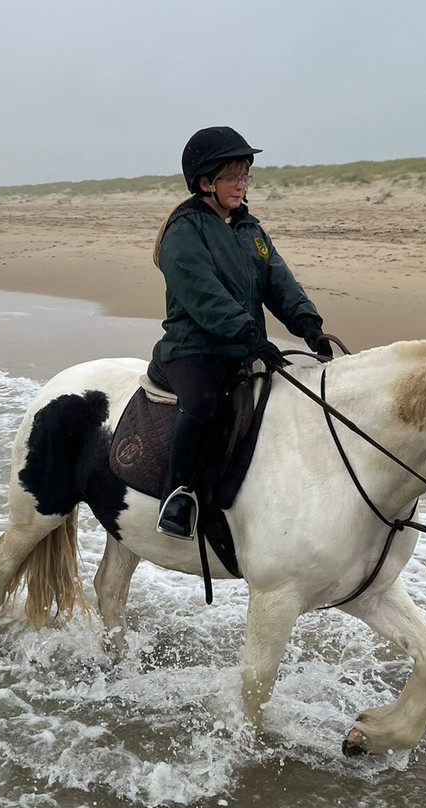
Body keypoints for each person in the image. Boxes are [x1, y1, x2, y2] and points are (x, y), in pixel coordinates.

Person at [149, 126, 333, 539]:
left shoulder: (249, 230)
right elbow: (204, 297)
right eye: (233, 175)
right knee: (203, 402)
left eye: (245, 175)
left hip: (241, 344)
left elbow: (279, 283)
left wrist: (311, 329)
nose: (242, 184)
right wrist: (250, 336)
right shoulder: (184, 232)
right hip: (193, 349)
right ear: (205, 182)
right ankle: (176, 495)